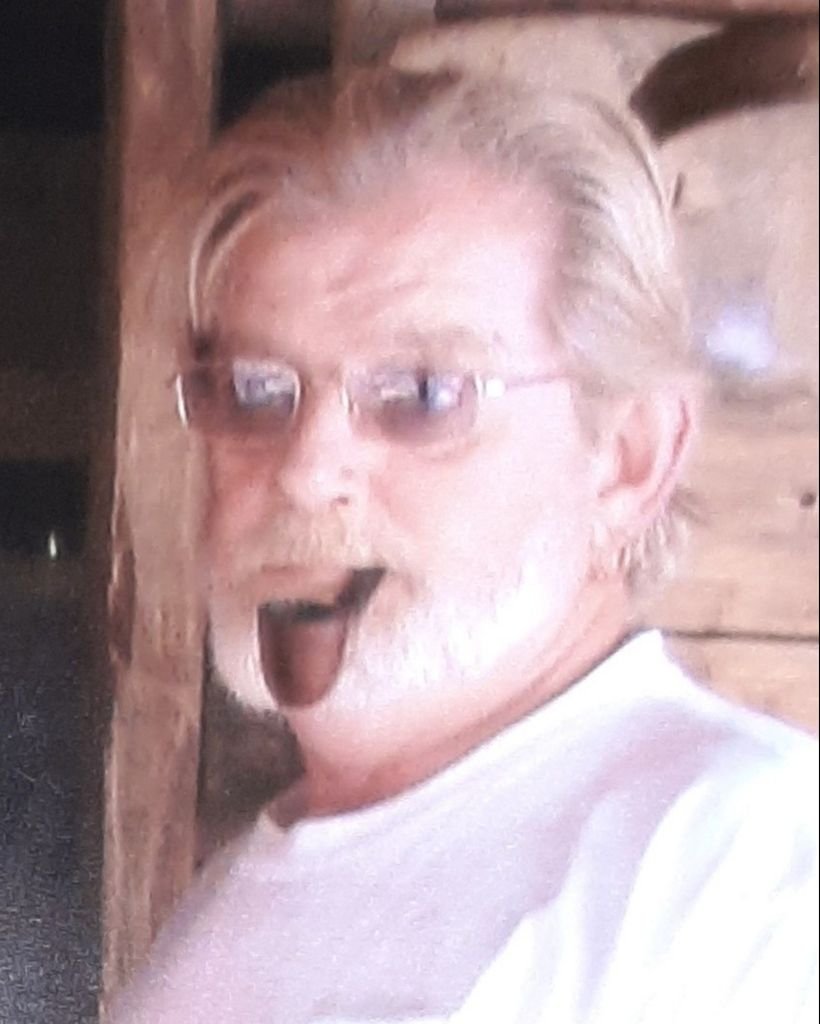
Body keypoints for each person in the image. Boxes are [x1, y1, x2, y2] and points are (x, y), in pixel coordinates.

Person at [107, 64, 818, 1023]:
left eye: (423, 394)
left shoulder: (745, 874)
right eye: (255, 391)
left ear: (628, 458)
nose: (306, 471)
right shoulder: (235, 906)